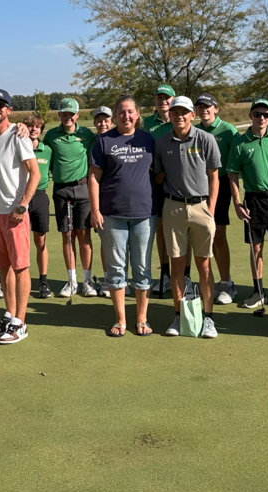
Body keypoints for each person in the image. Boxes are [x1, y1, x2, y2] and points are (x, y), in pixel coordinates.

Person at [153, 96, 222, 339]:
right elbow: (159, 176)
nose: (179, 116)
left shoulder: (206, 139)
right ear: (169, 115)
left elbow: (214, 176)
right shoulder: (161, 143)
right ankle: (180, 316)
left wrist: (210, 209)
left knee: (204, 266)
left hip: (201, 207)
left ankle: (208, 318)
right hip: (173, 208)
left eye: (184, 112)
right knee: (177, 267)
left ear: (192, 115)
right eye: (175, 112)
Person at [89, 95, 157, 336]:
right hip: (112, 214)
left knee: (142, 268)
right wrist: (95, 210)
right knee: (116, 268)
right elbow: (94, 178)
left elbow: (157, 174)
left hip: (144, 213)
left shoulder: (148, 139)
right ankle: (120, 320)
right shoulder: (103, 141)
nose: (126, 116)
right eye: (121, 112)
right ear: (115, 116)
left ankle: (141, 319)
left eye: (131, 112)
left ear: (137, 114)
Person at [0, 89, 39, 344]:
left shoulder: (18, 134)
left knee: (21, 266)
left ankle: (21, 323)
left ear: (9, 109)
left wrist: (23, 205)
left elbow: (34, 173)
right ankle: (10, 315)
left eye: (0, 105)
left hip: (14, 213)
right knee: (3, 268)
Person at [228, 98, 268, 310]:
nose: (262, 118)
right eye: (257, 114)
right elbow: (233, 175)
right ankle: (258, 292)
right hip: (253, 199)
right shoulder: (241, 142)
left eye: (266, 115)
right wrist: (237, 202)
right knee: (256, 246)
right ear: (250, 115)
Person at [43, 97, 97, 298]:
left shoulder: (86, 134)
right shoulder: (51, 136)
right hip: (61, 190)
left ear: (77, 115)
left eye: (71, 113)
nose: (67, 117)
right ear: (59, 115)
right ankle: (71, 281)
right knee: (67, 235)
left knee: (84, 234)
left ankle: (88, 281)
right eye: (63, 113)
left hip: (82, 189)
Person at [194, 93, 239, 304]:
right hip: (196, 188)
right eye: (200, 107)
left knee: (218, 233)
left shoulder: (228, 130)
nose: (204, 110)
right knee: (200, 235)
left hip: (219, 187)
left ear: (216, 109)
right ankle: (206, 281)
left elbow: (233, 167)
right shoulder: (194, 131)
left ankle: (226, 283)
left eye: (208, 106)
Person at [144, 84, 175, 293]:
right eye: (159, 98)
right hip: (154, 182)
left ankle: (184, 275)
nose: (163, 101)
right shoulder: (147, 124)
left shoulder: (180, 119)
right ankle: (165, 274)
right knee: (161, 227)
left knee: (181, 228)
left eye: (167, 98)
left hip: (179, 182)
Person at [25, 115, 53, 299]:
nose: (34, 129)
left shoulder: (47, 150)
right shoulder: (17, 147)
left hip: (40, 196)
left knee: (40, 240)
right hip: (20, 198)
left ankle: (43, 281)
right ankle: (20, 279)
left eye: (37, 127)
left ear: (41, 130)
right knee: (20, 242)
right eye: (30, 126)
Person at [91, 105, 115, 297]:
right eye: (99, 120)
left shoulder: (117, 139)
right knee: (105, 241)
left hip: (118, 198)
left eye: (106, 120)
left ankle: (120, 279)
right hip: (101, 200)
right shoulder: (91, 141)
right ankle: (108, 280)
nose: (103, 123)